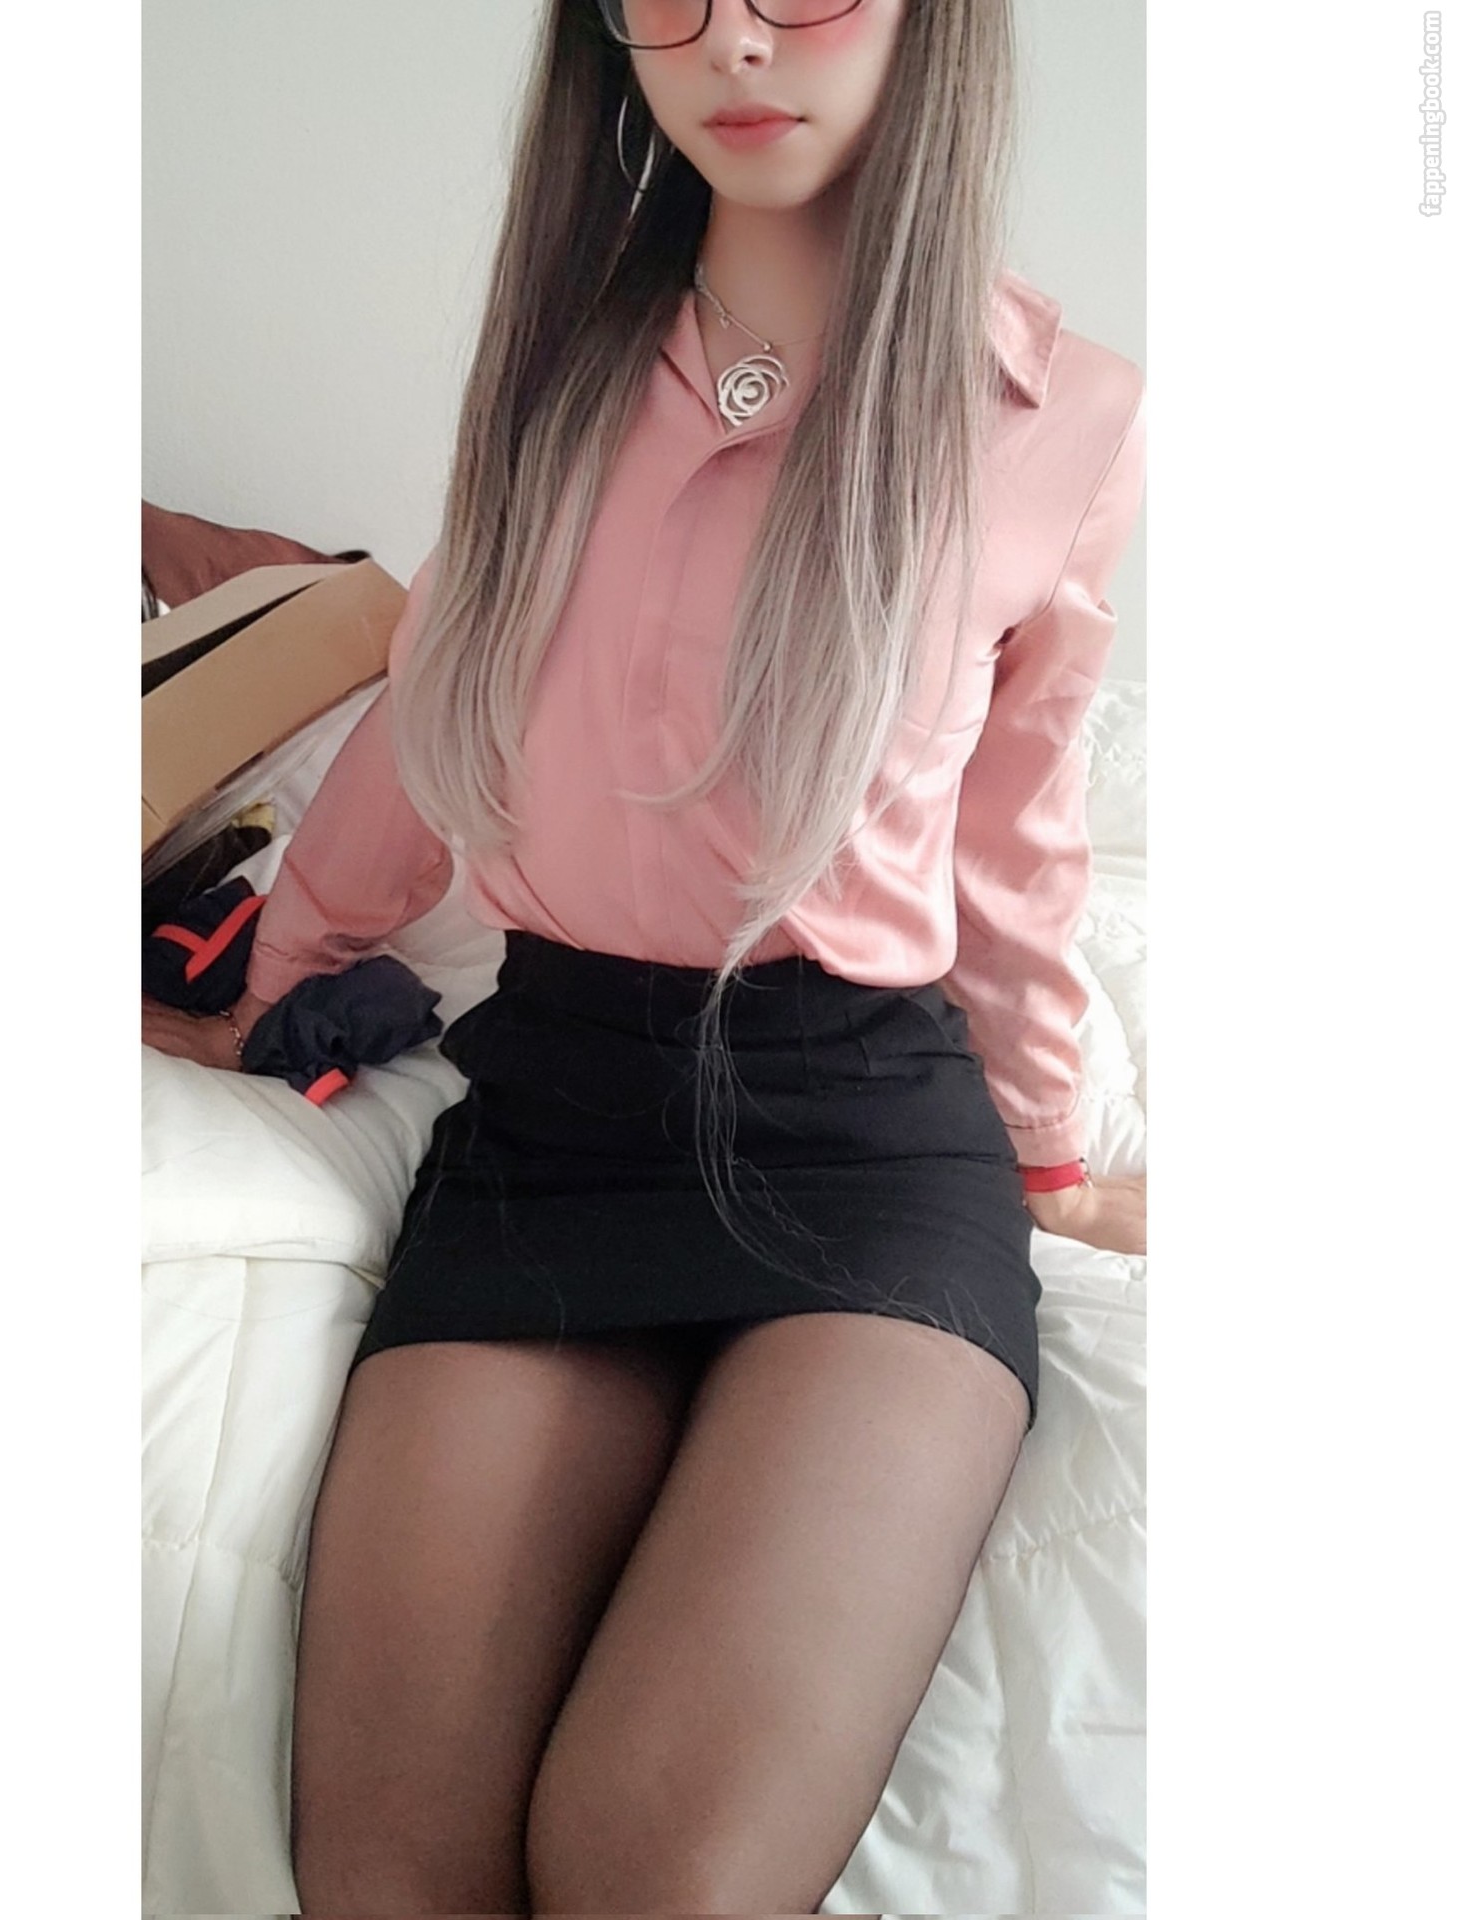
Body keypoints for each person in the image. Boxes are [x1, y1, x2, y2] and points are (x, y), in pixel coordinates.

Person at [142, 1, 1147, 1911]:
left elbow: (1016, 837)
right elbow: (437, 705)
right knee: (393, 1880)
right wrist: (276, 985)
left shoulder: (1067, 417)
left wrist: (1052, 1154)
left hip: (866, 1137)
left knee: (657, 1874)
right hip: (557, 1114)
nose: (732, 39)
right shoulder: (560, 369)